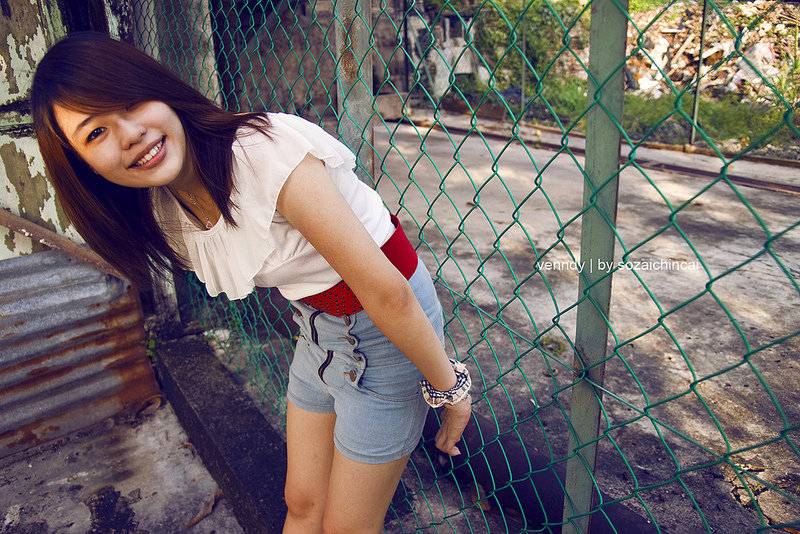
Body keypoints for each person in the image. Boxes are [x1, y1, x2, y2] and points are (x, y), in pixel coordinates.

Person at [31, 32, 472, 533]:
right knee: (300, 501)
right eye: (96, 132)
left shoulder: (262, 152)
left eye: (130, 101)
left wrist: (451, 390)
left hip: (388, 330)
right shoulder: (164, 207)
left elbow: (388, 293)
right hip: (321, 332)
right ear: (82, 166)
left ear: (158, 89)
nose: (130, 133)